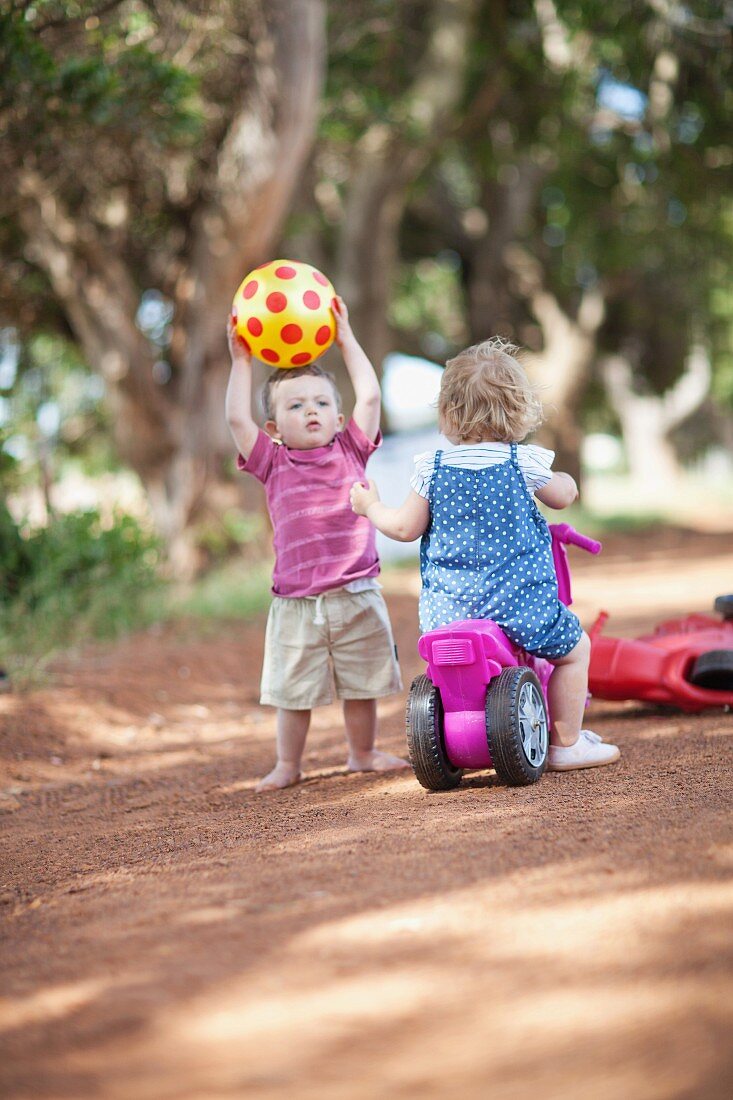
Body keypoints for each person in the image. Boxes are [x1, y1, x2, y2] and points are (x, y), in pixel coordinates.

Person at [350, 336, 620, 772]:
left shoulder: (431, 466)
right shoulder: (523, 460)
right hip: (521, 605)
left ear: (447, 412)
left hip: (449, 612)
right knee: (574, 649)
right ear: (518, 411)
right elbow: (563, 495)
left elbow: (403, 527)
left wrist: (370, 507)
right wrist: (565, 479)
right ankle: (567, 742)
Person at [225, 296, 407, 792]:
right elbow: (236, 421)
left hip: (356, 592)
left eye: (322, 403)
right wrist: (241, 362)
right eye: (296, 405)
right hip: (297, 603)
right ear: (274, 428)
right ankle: (289, 764)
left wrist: (347, 340)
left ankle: (362, 753)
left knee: (363, 682)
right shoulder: (271, 463)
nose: (311, 411)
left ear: (337, 414)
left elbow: (369, 398)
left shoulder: (351, 449)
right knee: (292, 691)